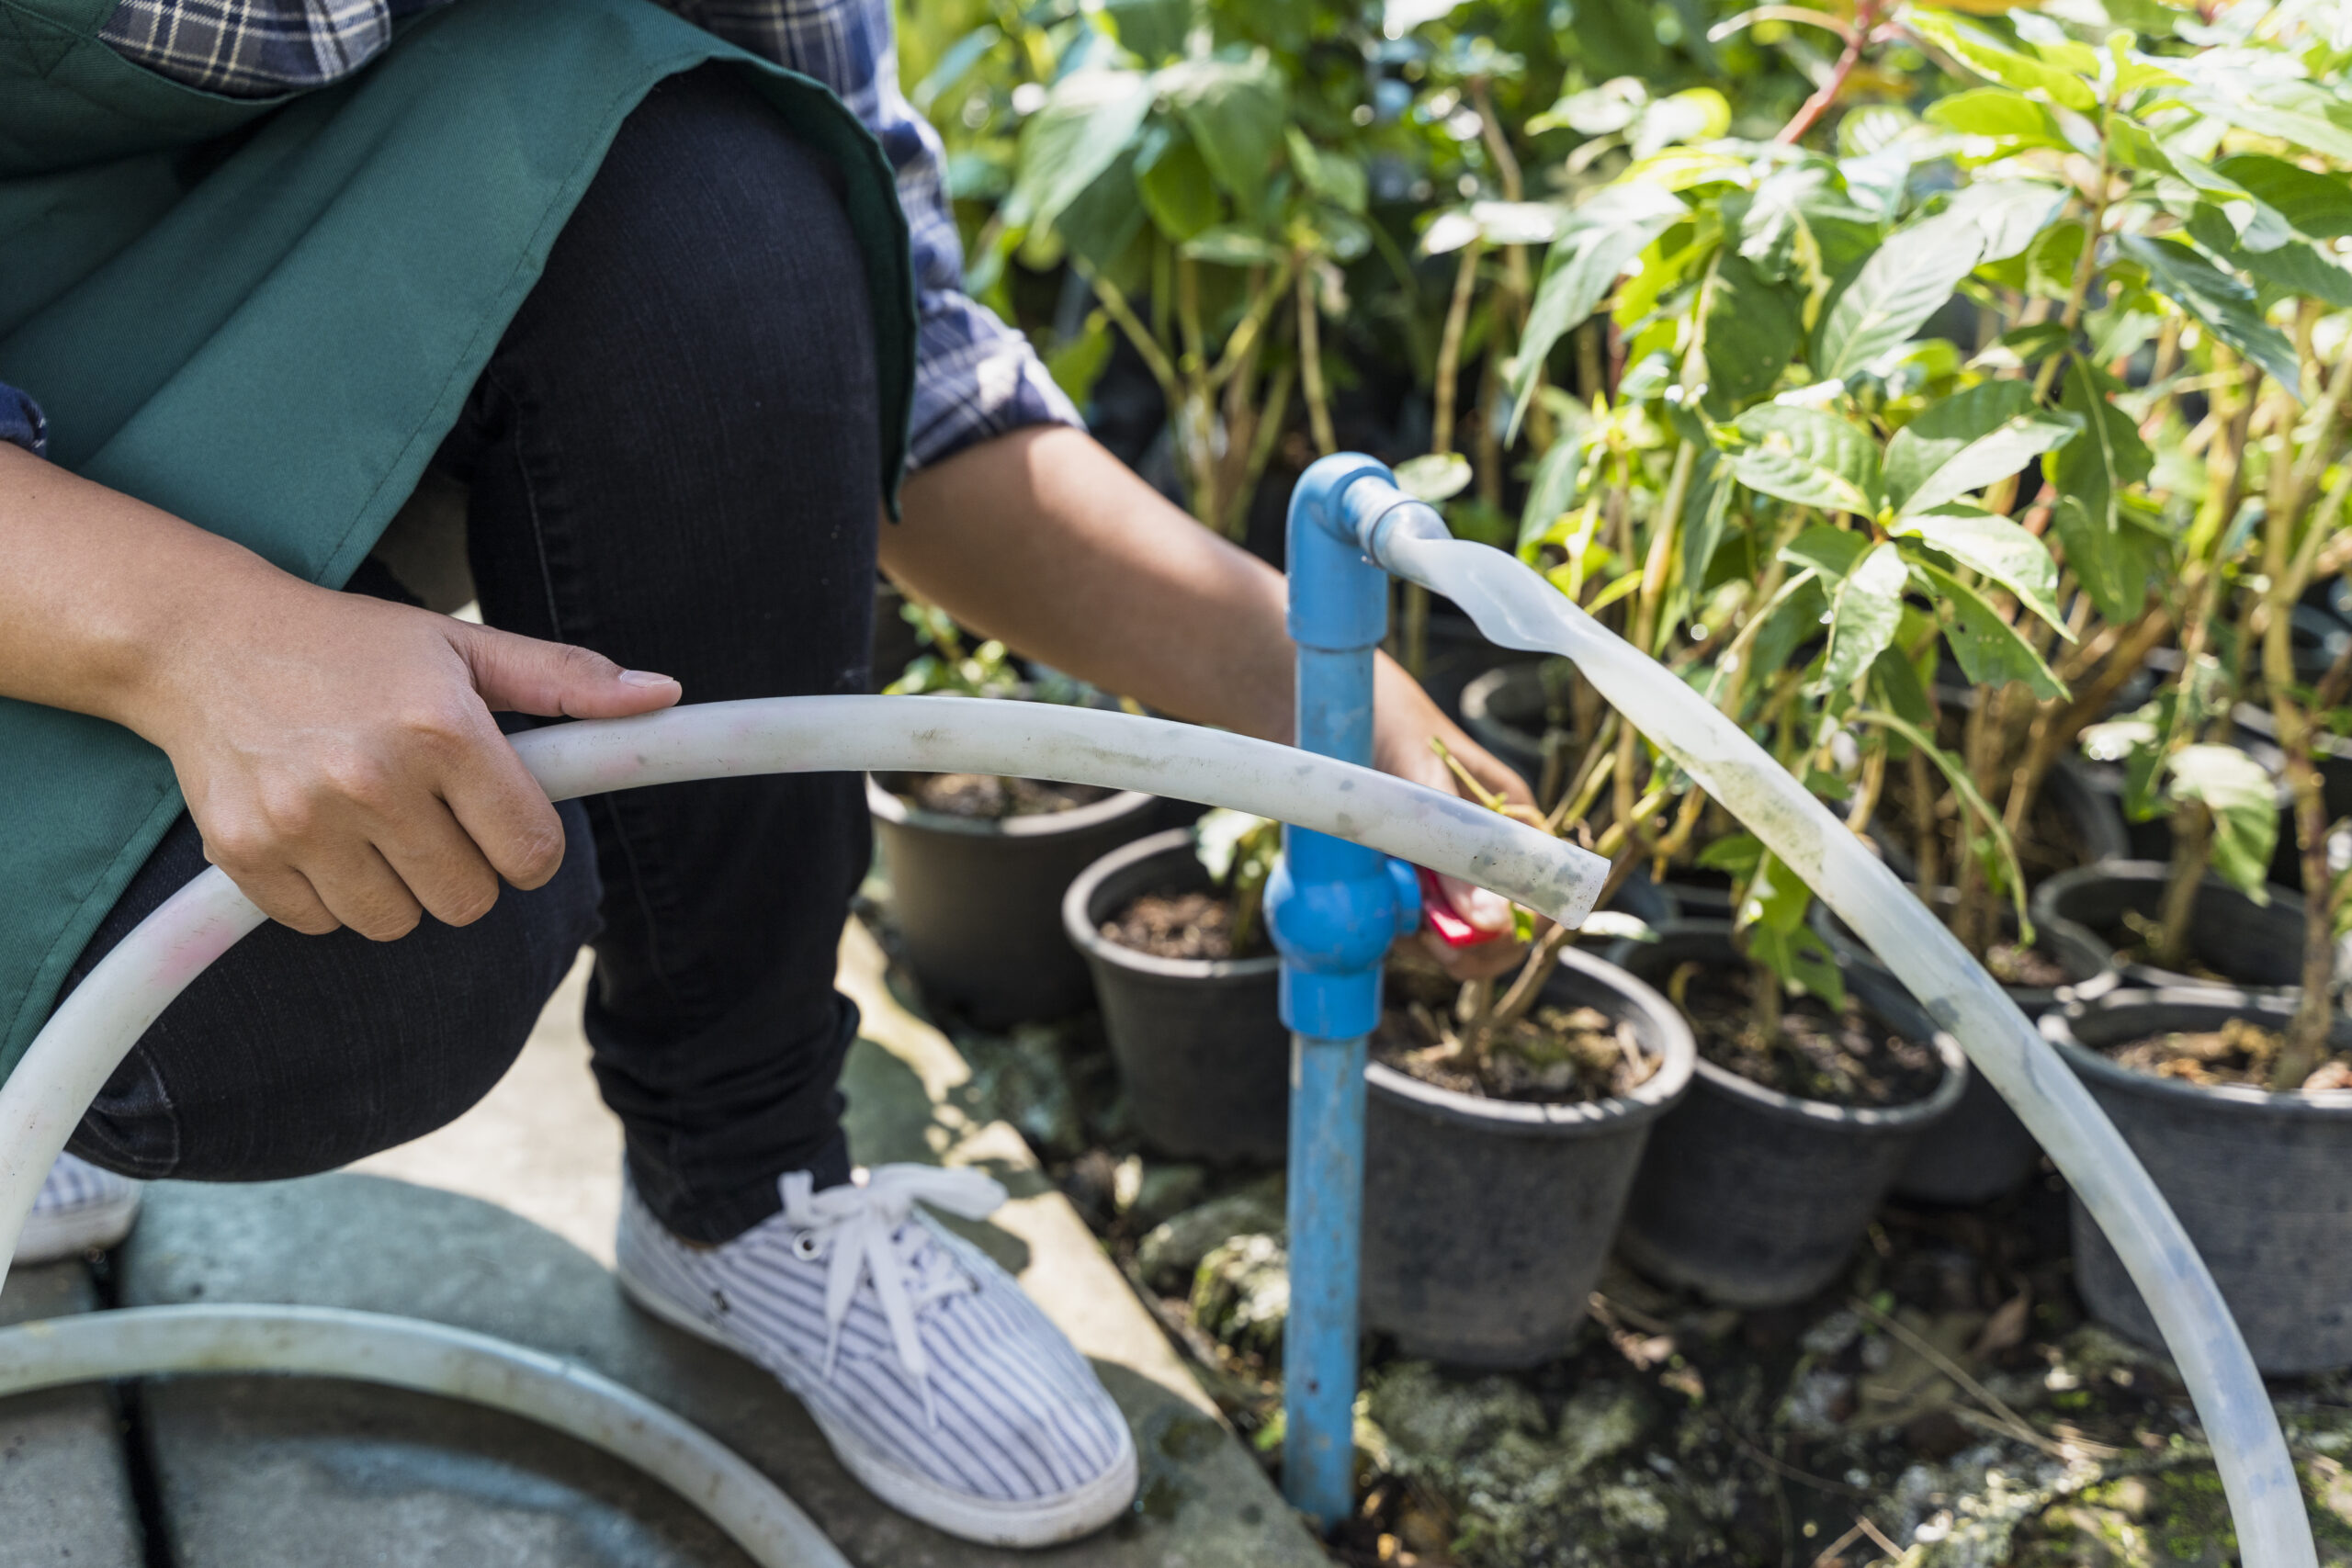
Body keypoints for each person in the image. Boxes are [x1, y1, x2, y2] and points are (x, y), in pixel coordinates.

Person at [0, 0, 1529, 1547]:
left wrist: (1322, 702)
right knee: (347, 970)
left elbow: (896, 371)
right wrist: (186, 642)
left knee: (718, 184)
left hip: (186, 342)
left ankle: (740, 1173)